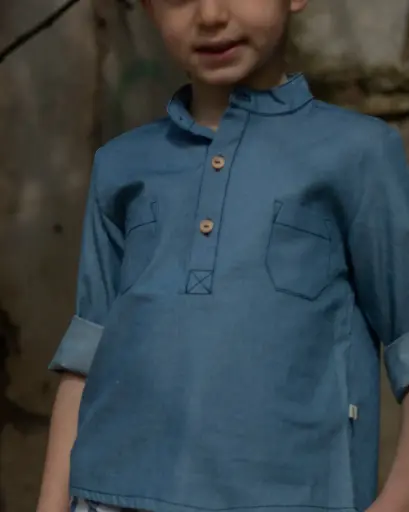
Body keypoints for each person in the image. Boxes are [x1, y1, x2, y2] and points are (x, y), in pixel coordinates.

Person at [37, 1, 409, 511]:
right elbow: (85, 358)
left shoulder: (358, 154)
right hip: (110, 495)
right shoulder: (121, 165)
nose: (210, 15)